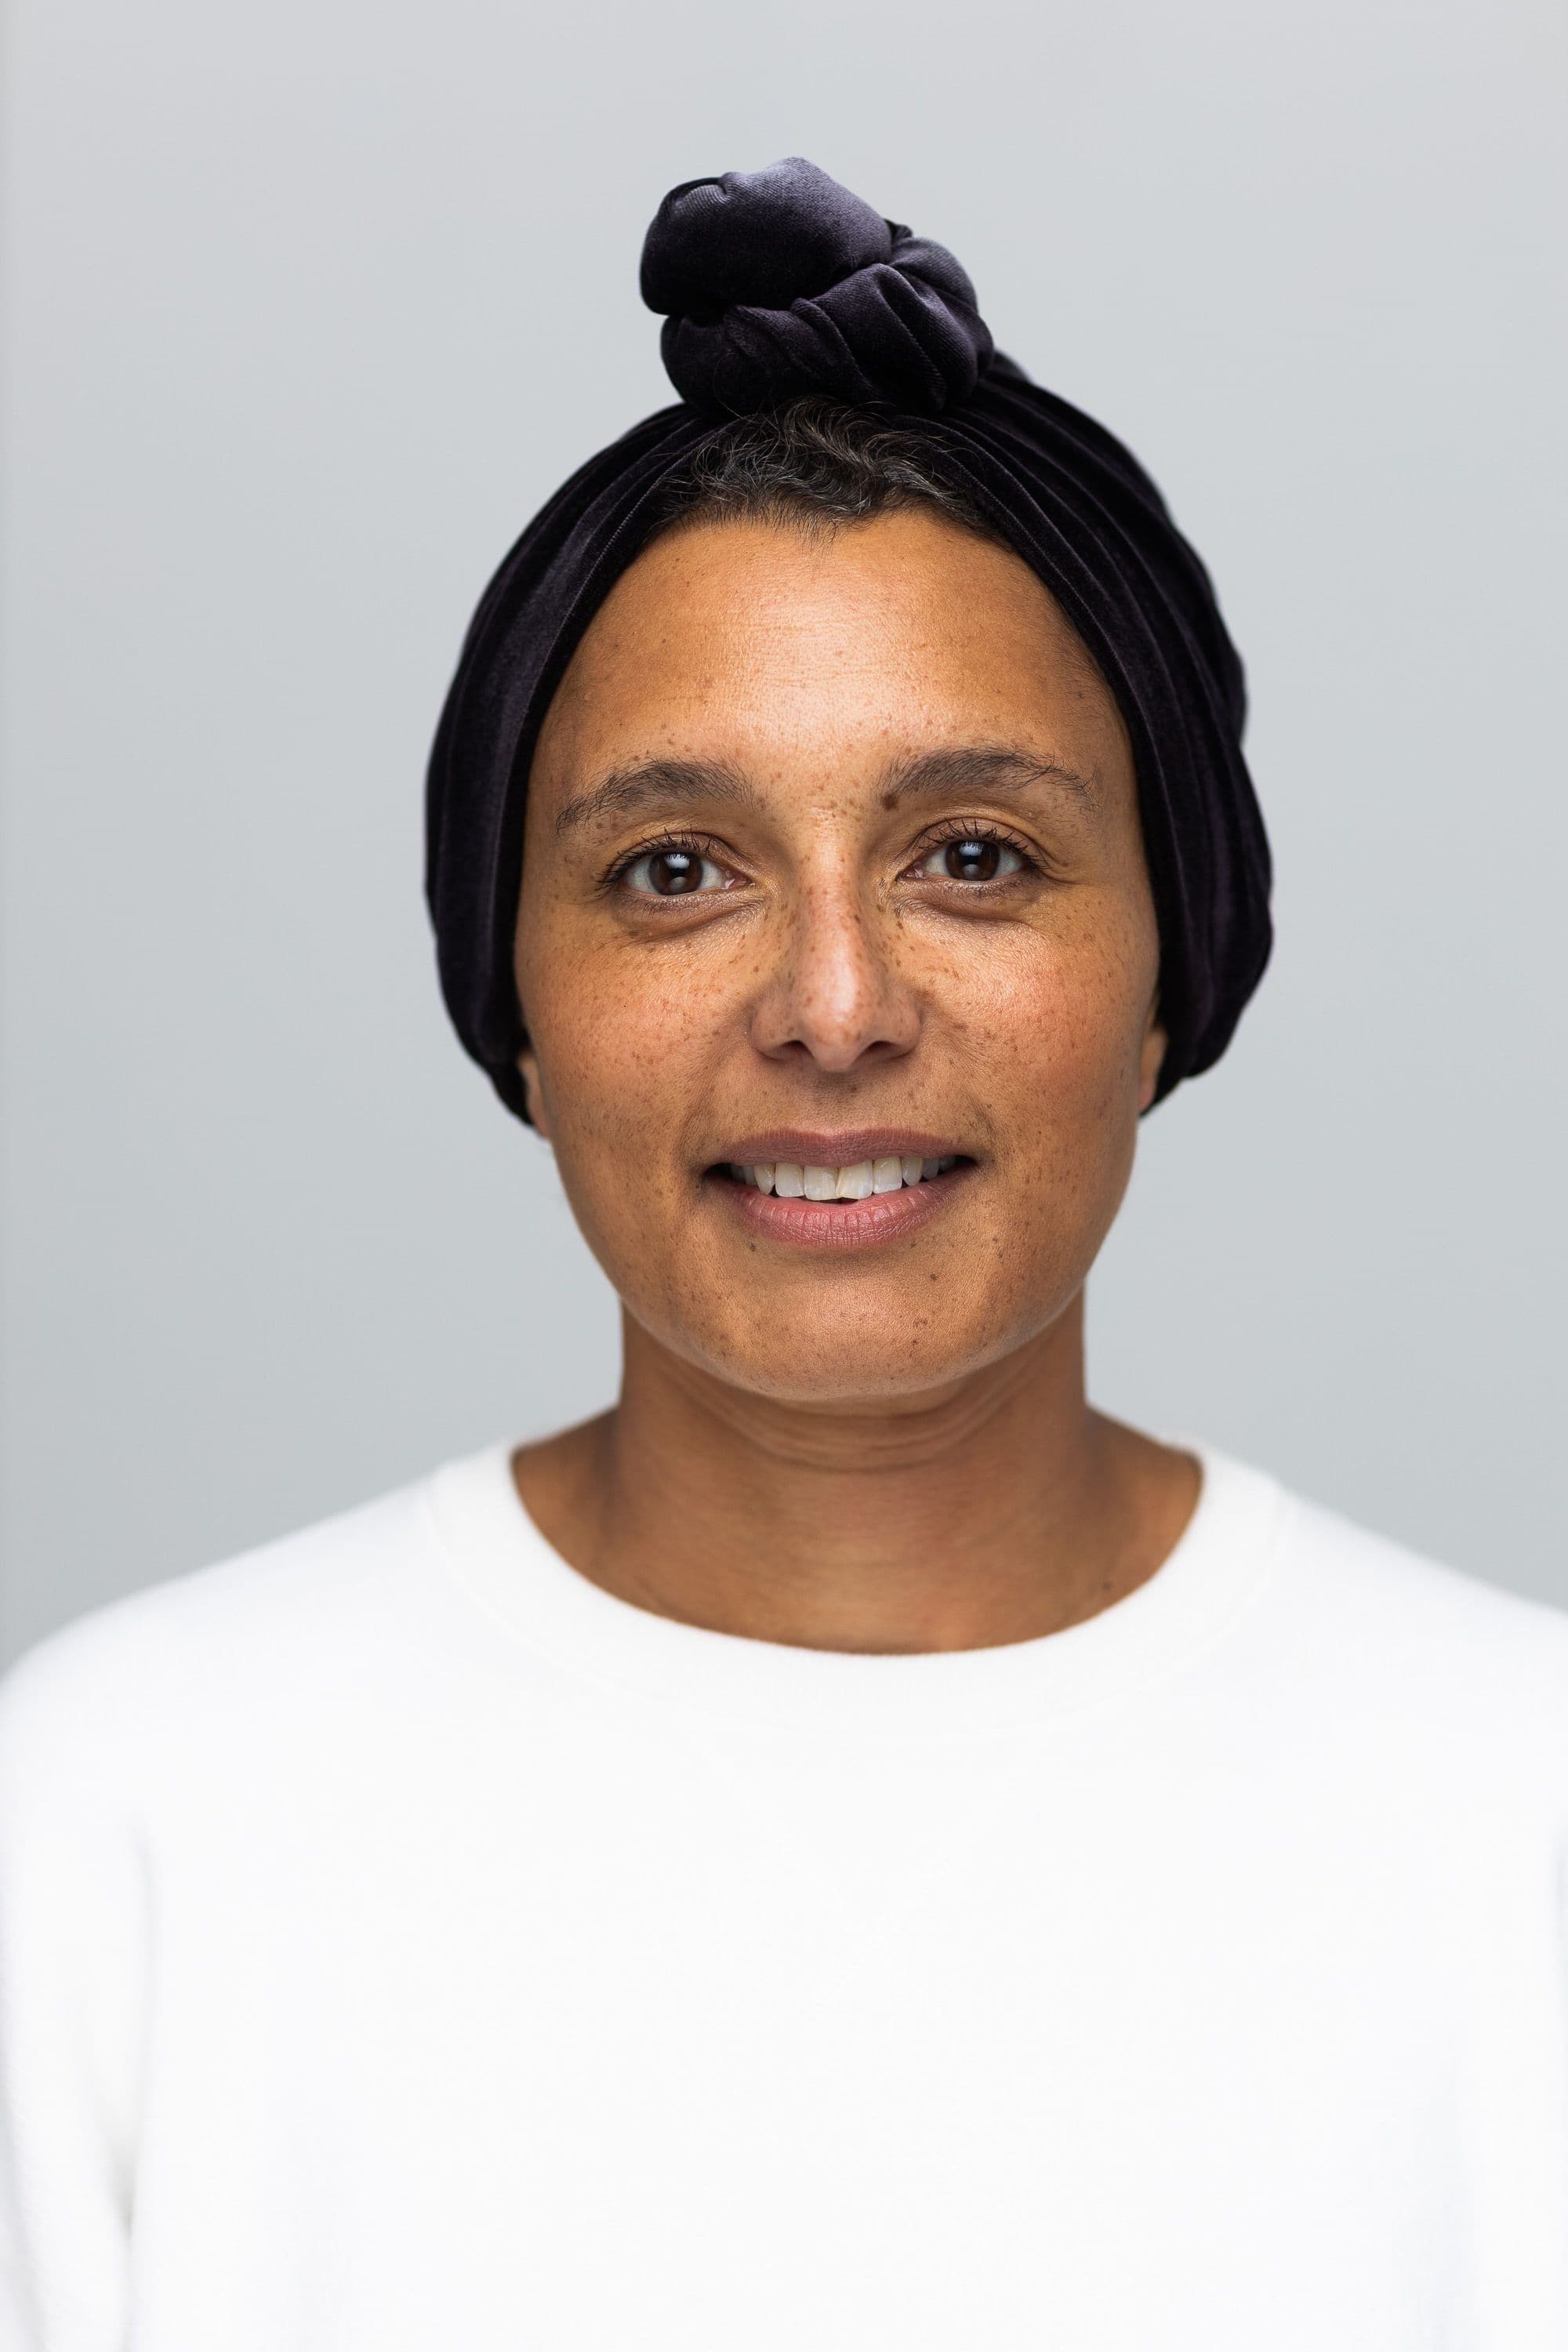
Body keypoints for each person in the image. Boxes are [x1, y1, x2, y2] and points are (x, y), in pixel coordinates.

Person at [0, 158, 1563, 2351]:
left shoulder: (1521, 1823)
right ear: (517, 1002)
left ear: (1169, 974)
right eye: (675, 870)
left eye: (975, 855)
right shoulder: (110, 1834)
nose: (836, 1009)